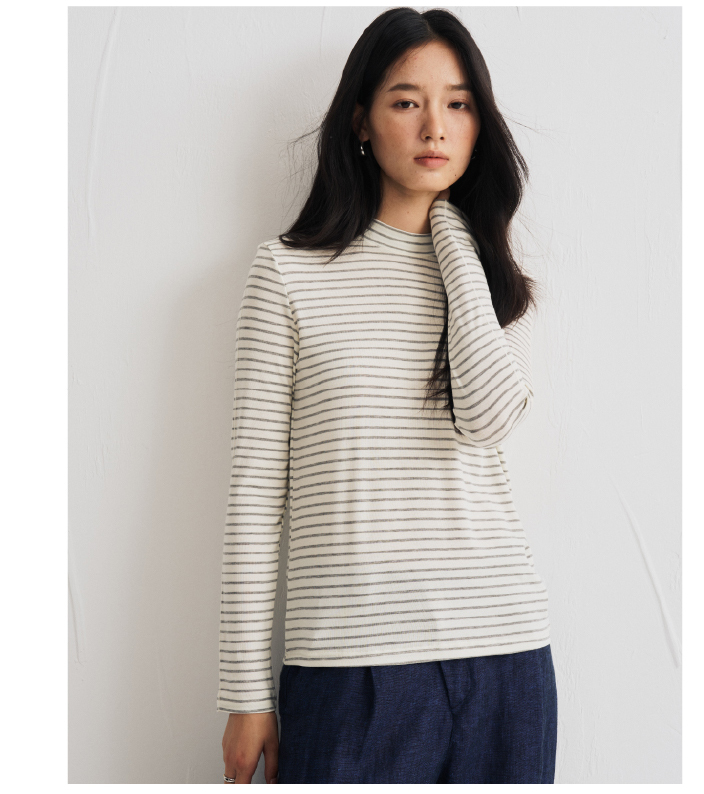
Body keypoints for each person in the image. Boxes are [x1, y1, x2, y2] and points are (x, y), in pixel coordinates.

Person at [218, 6, 557, 785]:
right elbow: (255, 494)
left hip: (505, 655)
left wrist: (454, 239)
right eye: (407, 101)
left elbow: (486, 419)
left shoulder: (499, 287)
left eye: (458, 104)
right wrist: (244, 692)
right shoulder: (286, 274)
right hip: (349, 665)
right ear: (361, 121)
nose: (435, 126)